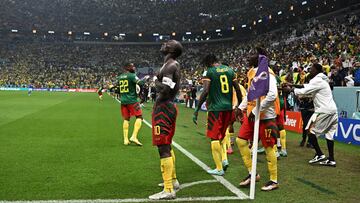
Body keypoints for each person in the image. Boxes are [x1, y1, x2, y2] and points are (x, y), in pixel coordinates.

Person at [236, 50, 280, 191]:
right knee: (241, 141)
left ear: (260, 58)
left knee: (269, 148)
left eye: (252, 55)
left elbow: (273, 95)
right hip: (252, 115)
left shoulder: (268, 73)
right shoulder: (251, 72)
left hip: (266, 116)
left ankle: (274, 181)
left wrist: (257, 111)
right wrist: (241, 107)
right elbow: (250, 93)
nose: (248, 56)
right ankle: (252, 173)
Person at [193, 54, 242, 176]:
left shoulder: (209, 72)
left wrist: (197, 109)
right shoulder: (230, 70)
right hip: (228, 108)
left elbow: (205, 91)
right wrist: (240, 106)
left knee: (214, 137)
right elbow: (238, 89)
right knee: (222, 135)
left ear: (208, 63)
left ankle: (219, 168)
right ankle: (224, 159)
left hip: (216, 109)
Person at [284, 63, 338, 167]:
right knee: (329, 134)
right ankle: (331, 159)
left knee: (309, 130)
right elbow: (306, 86)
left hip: (323, 110)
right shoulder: (322, 81)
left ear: (317, 70)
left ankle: (319, 154)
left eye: (312, 69)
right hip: (333, 111)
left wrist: (290, 90)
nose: (310, 70)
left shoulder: (316, 80)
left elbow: (304, 90)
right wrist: (292, 85)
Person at [149, 40, 183, 200]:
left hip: (164, 108)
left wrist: (155, 82)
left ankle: (169, 189)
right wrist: (157, 81)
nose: (164, 43)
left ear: (173, 49)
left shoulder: (170, 66)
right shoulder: (169, 65)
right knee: (167, 145)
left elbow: (165, 89)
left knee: (163, 147)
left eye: (168, 43)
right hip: (167, 106)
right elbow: (161, 85)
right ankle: (173, 181)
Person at [117, 63, 148, 146]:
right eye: (132, 66)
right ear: (128, 68)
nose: (134, 68)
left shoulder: (120, 77)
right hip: (132, 100)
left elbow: (117, 89)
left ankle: (125, 139)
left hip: (123, 101)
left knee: (126, 119)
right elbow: (141, 83)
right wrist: (146, 78)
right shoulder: (132, 75)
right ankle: (134, 136)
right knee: (139, 117)